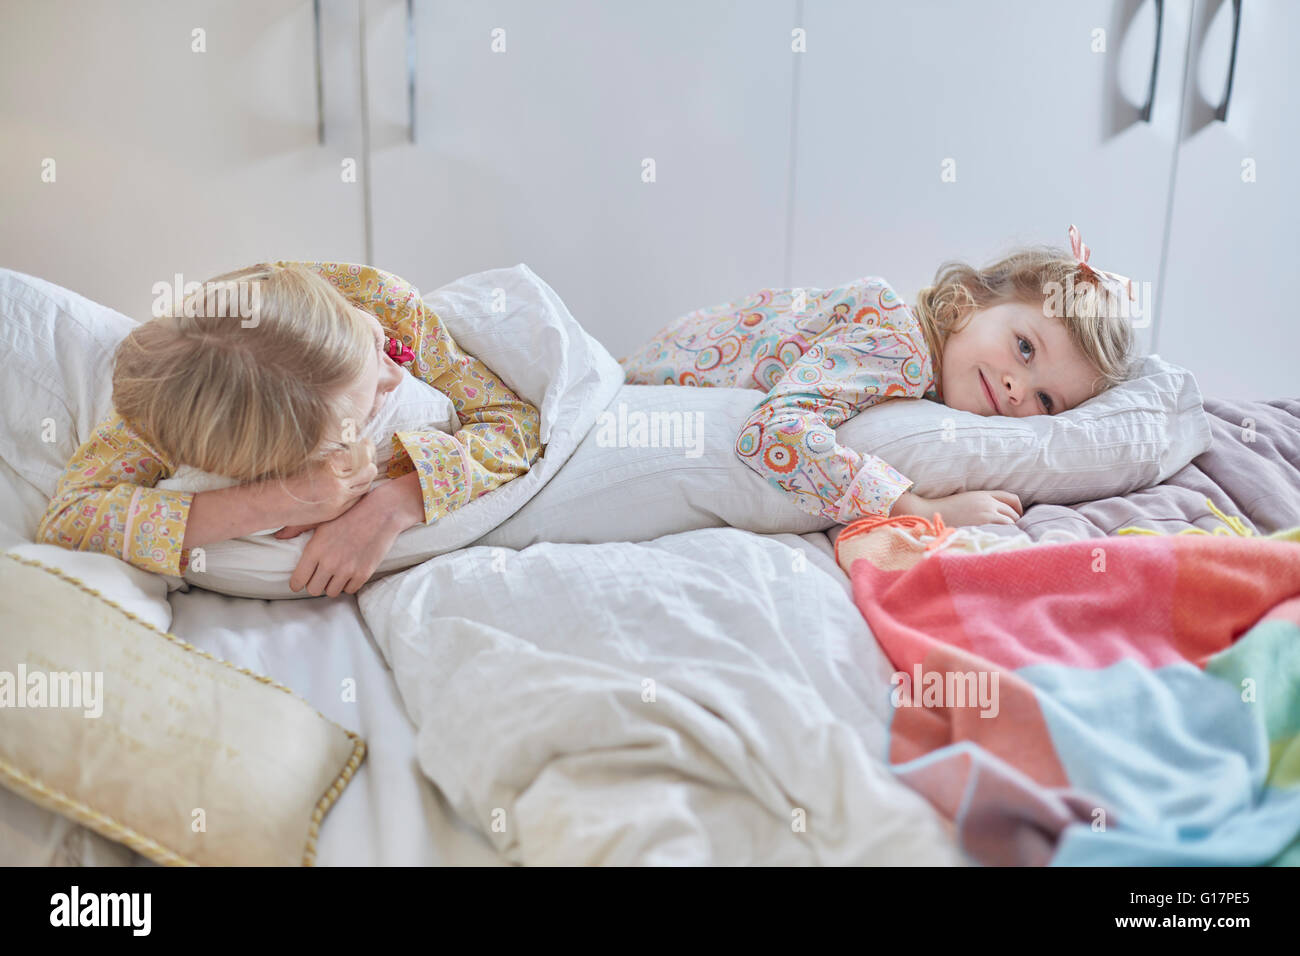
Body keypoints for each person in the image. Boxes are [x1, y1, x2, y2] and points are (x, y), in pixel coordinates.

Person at [36, 261, 543, 596]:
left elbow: (517, 423)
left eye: (374, 349)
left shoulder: (379, 301)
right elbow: (70, 519)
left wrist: (396, 503)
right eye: (371, 405)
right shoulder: (160, 417)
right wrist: (287, 499)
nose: (397, 373)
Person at [621, 225, 1137, 527]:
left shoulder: (921, 372)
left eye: (1046, 401)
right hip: (640, 388)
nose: (1017, 389)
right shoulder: (899, 345)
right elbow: (771, 434)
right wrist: (918, 507)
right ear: (968, 302)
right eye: (1024, 347)